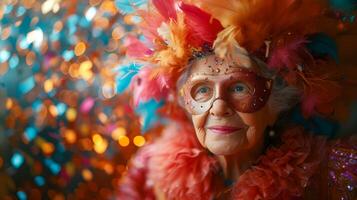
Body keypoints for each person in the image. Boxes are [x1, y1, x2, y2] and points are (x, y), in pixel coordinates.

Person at [116, 0, 357, 199]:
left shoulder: (327, 173)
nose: (219, 107)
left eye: (240, 87)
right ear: (185, 104)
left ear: (277, 104)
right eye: (201, 90)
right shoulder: (149, 170)